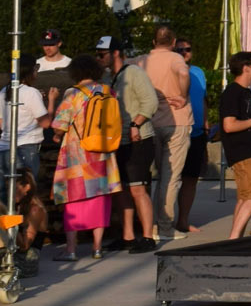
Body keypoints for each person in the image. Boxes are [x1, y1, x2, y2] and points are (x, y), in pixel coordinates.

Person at [49, 55, 121, 262]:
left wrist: (56, 135)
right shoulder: (109, 91)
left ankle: (70, 250)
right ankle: (97, 248)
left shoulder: (73, 93)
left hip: (77, 154)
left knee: (73, 199)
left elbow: (60, 123)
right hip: (103, 152)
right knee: (100, 198)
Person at [106, 39, 159, 253]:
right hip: (119, 141)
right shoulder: (111, 77)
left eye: (103, 54)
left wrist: (136, 123)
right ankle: (127, 235)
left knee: (138, 189)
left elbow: (151, 102)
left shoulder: (134, 73)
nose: (100, 58)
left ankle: (148, 236)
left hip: (139, 139)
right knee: (121, 190)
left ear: (115, 53)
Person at [143, 24, 193, 241]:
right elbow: (183, 73)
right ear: (173, 43)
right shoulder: (176, 59)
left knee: (149, 177)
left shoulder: (140, 61)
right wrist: (182, 95)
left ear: (154, 42)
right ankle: (164, 226)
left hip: (149, 120)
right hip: (176, 120)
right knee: (170, 177)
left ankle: (149, 224)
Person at [219, 52, 251, 239]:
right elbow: (229, 125)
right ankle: (233, 239)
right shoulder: (233, 93)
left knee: (245, 197)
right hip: (243, 152)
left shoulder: (246, 92)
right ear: (245, 68)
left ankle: (236, 238)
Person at [175, 56, 208, 235]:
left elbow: (203, 99)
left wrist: (206, 123)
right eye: (180, 49)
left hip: (197, 131)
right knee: (171, 179)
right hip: (177, 130)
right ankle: (164, 221)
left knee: (191, 178)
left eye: (187, 49)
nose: (184, 53)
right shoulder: (171, 69)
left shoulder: (198, 72)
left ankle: (183, 220)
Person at [3, 68, 50, 183]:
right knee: (27, 190)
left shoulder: (4, 91)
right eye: (35, 69)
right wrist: (52, 100)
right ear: (29, 72)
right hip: (26, 148)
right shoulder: (31, 92)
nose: (37, 72)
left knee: (6, 191)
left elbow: (1, 124)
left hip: (4, 148)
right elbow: (46, 123)